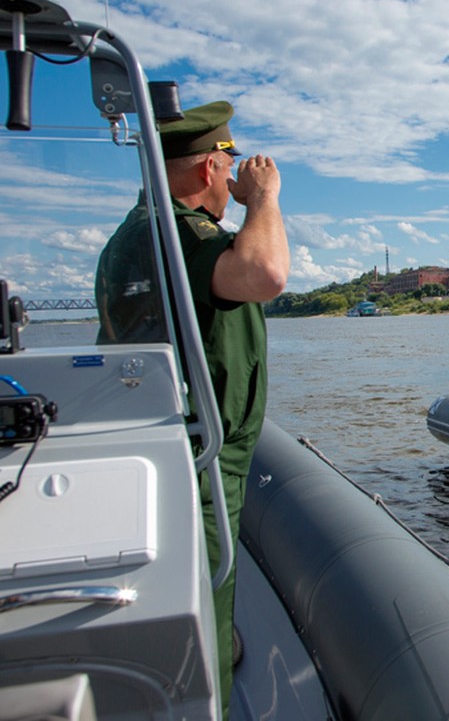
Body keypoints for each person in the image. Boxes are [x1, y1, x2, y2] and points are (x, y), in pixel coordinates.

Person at [95, 100, 289, 716]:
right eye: (226, 165)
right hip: (200, 466)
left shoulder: (134, 234)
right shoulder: (183, 233)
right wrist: (263, 198)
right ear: (211, 168)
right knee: (206, 613)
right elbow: (263, 273)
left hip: (167, 451)